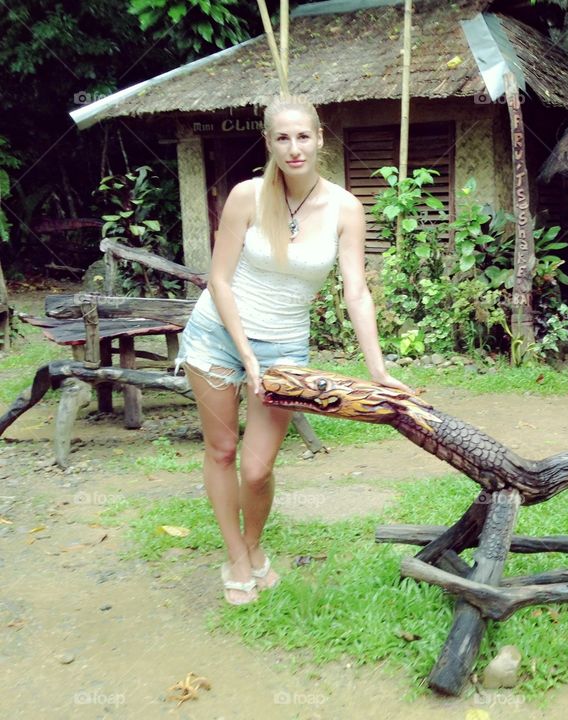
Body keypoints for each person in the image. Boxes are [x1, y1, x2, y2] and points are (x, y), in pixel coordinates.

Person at [176, 96, 411, 605]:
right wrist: (246, 353)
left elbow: (356, 291)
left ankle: (256, 546)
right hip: (218, 334)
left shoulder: (347, 208)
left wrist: (378, 369)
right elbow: (218, 278)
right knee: (220, 450)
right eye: (282, 137)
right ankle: (237, 557)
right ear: (269, 143)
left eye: (303, 136)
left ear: (321, 138)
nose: (294, 147)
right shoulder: (245, 196)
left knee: (257, 467)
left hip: (284, 345)